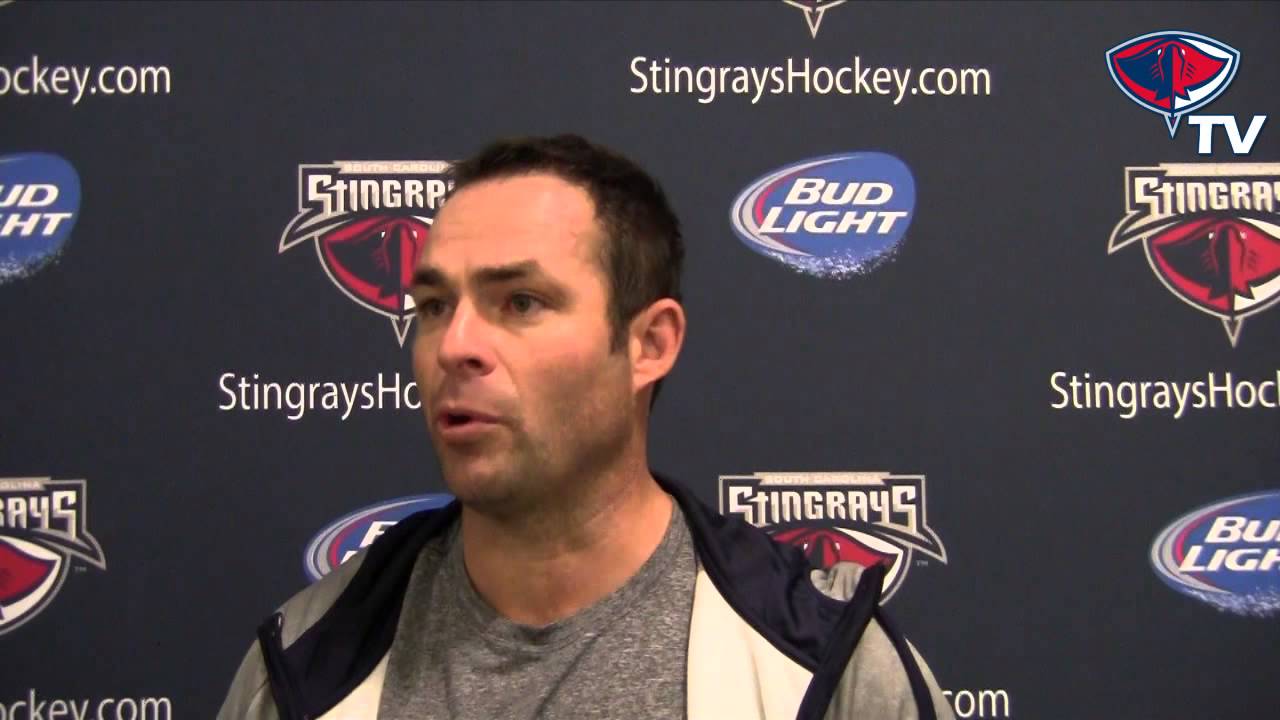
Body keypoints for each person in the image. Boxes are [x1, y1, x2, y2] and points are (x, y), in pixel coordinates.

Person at [218, 134, 955, 720]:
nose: (455, 346)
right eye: (435, 306)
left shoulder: (824, 664)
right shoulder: (307, 665)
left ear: (650, 345)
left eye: (521, 302)